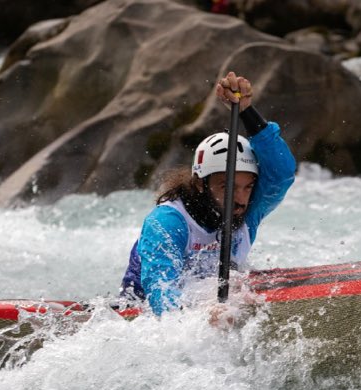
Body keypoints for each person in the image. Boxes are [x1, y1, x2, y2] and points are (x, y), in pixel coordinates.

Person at [120, 71, 297, 317]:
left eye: (248, 187)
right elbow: (160, 290)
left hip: (207, 299)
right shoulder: (167, 222)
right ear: (200, 184)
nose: (241, 199)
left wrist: (246, 111)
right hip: (142, 311)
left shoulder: (247, 212)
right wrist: (202, 315)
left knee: (239, 288)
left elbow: (282, 175)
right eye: (228, 187)